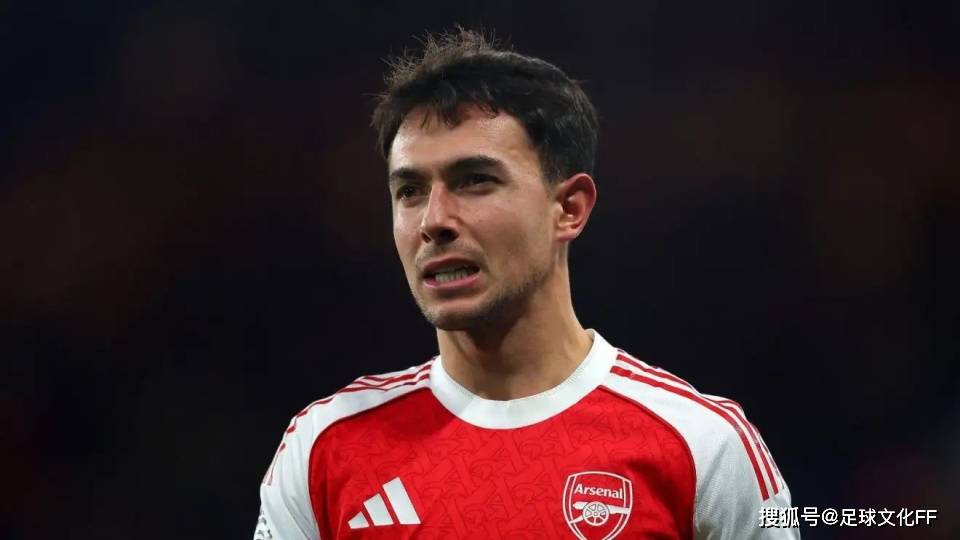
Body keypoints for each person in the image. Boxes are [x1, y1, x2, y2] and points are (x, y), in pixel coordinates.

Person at [255, 28, 798, 540]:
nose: (434, 220)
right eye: (410, 191)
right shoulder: (324, 447)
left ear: (569, 208)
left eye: (475, 181)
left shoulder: (703, 446)